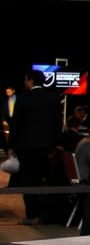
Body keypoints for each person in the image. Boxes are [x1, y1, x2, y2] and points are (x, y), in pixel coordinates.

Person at [7, 69, 66, 224]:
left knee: (29, 181)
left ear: (31, 81)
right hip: (48, 149)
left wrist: (11, 145)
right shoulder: (53, 99)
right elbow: (57, 125)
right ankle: (46, 215)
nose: (24, 82)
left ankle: (32, 215)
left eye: (26, 79)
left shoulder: (23, 98)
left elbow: (16, 124)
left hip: (26, 149)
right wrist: (56, 144)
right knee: (47, 181)